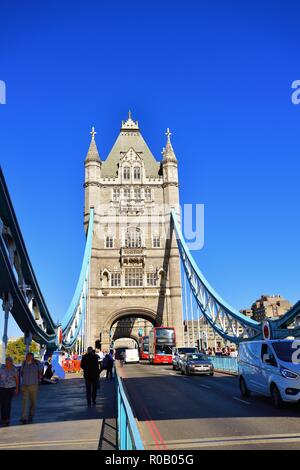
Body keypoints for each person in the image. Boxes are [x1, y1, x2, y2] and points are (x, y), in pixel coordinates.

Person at [20, 352, 42, 424]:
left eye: (29, 357)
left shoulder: (37, 363)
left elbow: (40, 373)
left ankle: (31, 416)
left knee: (33, 402)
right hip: (25, 385)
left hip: (34, 385)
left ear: (32, 357)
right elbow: (21, 373)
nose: (28, 358)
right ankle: (24, 417)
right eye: (27, 356)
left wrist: (38, 382)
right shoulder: (23, 363)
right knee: (24, 402)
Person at [0, 356, 19, 426]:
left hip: (10, 388)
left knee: (7, 403)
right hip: (2, 387)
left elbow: (17, 379)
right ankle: (3, 419)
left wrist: (17, 388)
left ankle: (7, 419)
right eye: (6, 362)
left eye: (9, 362)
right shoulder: (2, 368)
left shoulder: (14, 369)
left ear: (11, 362)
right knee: (2, 403)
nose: (7, 363)